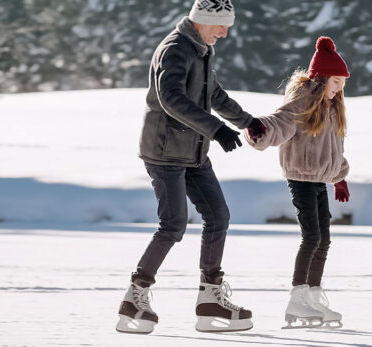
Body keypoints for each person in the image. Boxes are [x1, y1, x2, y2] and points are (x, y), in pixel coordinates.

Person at [117, 0, 266, 334]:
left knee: (218, 216)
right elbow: (171, 99)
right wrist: (217, 129)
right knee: (173, 225)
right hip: (164, 150)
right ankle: (134, 296)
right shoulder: (175, 50)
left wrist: (247, 122)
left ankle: (210, 297)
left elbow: (212, 93)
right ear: (203, 20)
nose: (225, 33)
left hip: (193, 150)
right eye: (221, 25)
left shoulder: (202, 49)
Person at [245, 36, 350, 329]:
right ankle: (298, 297)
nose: (339, 88)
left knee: (324, 239)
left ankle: (313, 296)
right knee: (312, 238)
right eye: (335, 81)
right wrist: (259, 131)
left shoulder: (332, 107)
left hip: (320, 180)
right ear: (321, 79)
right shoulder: (303, 101)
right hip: (300, 177)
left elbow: (335, 148)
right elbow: (280, 122)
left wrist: (340, 177)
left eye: (342, 82)